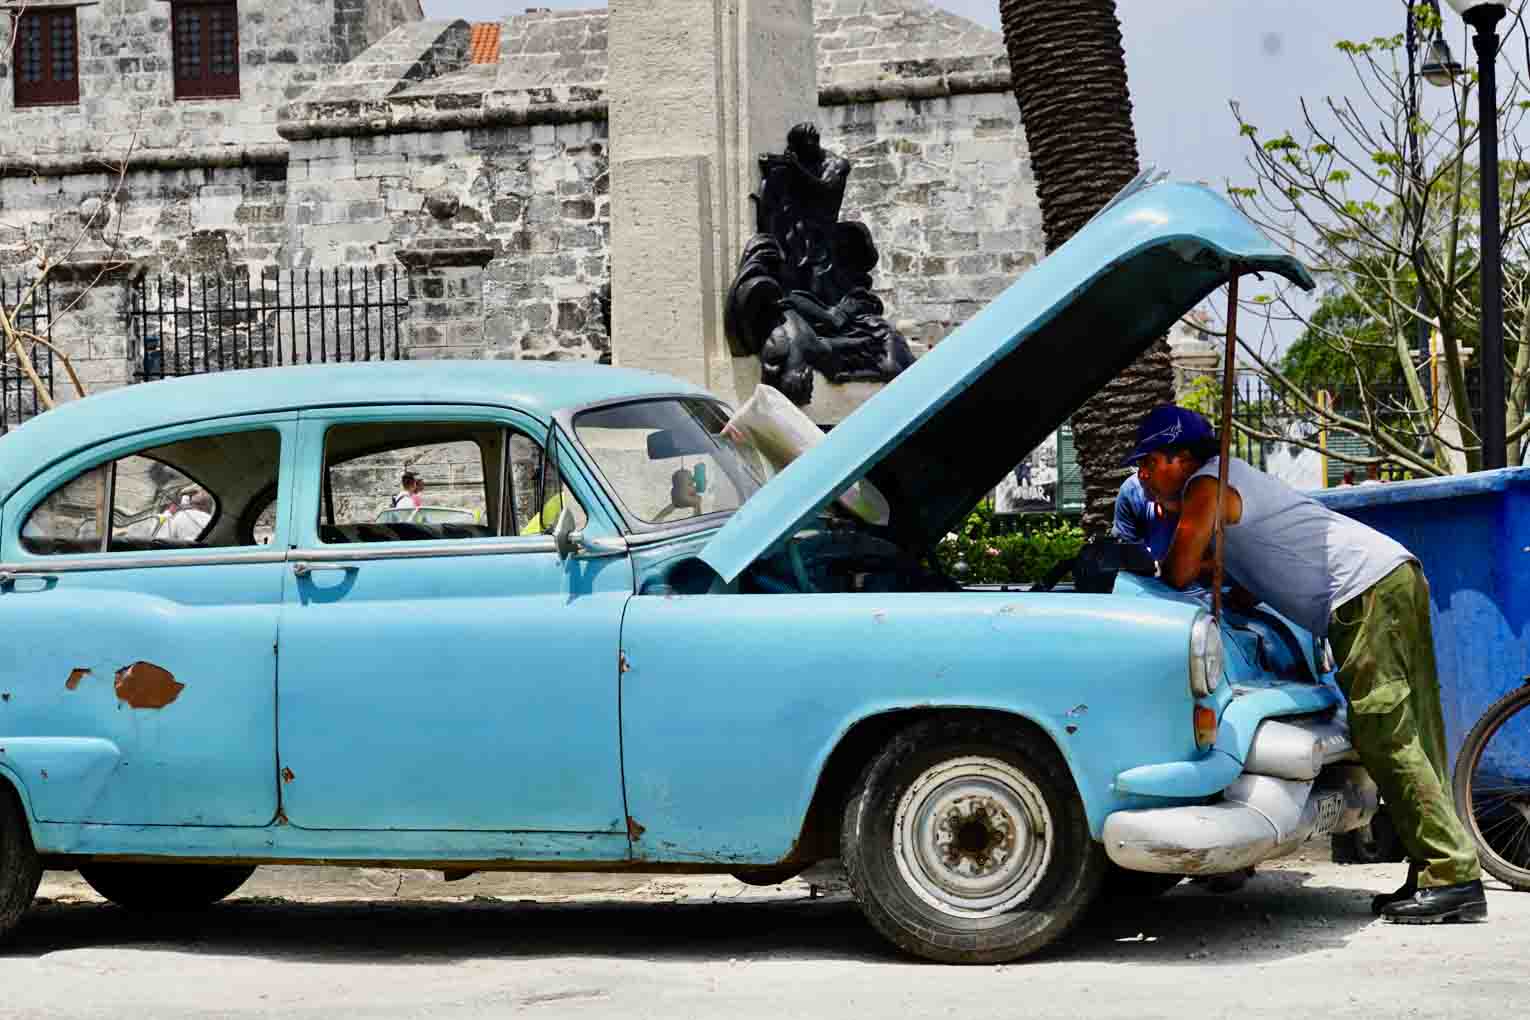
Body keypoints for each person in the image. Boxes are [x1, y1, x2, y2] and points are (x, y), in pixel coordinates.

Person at [1126, 404, 1486, 924]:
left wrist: (1163, 543)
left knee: (1385, 729)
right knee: (1412, 730)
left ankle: (1452, 876)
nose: (1142, 477)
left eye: (1149, 462)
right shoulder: (1229, 480)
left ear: (1181, 459)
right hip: (1387, 577)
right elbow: (1253, 570)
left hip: (1366, 592)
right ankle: (1437, 868)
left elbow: (1179, 572)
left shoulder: (1206, 486)